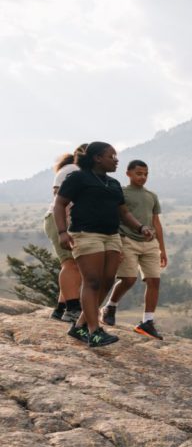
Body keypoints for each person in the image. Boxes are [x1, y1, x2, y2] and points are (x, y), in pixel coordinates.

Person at [53, 142, 154, 348]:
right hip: (86, 234)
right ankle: (95, 332)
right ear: (98, 158)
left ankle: (80, 325)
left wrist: (141, 227)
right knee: (92, 282)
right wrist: (63, 232)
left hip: (111, 236)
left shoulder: (113, 184)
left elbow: (124, 213)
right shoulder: (78, 178)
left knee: (107, 281)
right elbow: (59, 203)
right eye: (112, 156)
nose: (116, 160)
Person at [100, 160, 167, 339]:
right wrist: (115, 245)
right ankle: (110, 306)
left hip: (150, 243)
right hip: (127, 240)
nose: (143, 177)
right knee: (128, 279)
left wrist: (162, 249)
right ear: (128, 173)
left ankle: (147, 322)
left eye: (146, 174)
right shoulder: (121, 193)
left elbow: (156, 223)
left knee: (154, 281)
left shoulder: (151, 196)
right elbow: (115, 217)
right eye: (139, 173)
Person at [42, 147, 84, 322]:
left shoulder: (75, 171)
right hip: (61, 221)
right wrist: (65, 227)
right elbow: (60, 197)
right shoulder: (72, 170)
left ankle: (60, 309)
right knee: (71, 264)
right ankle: (73, 308)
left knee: (74, 265)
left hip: (64, 221)